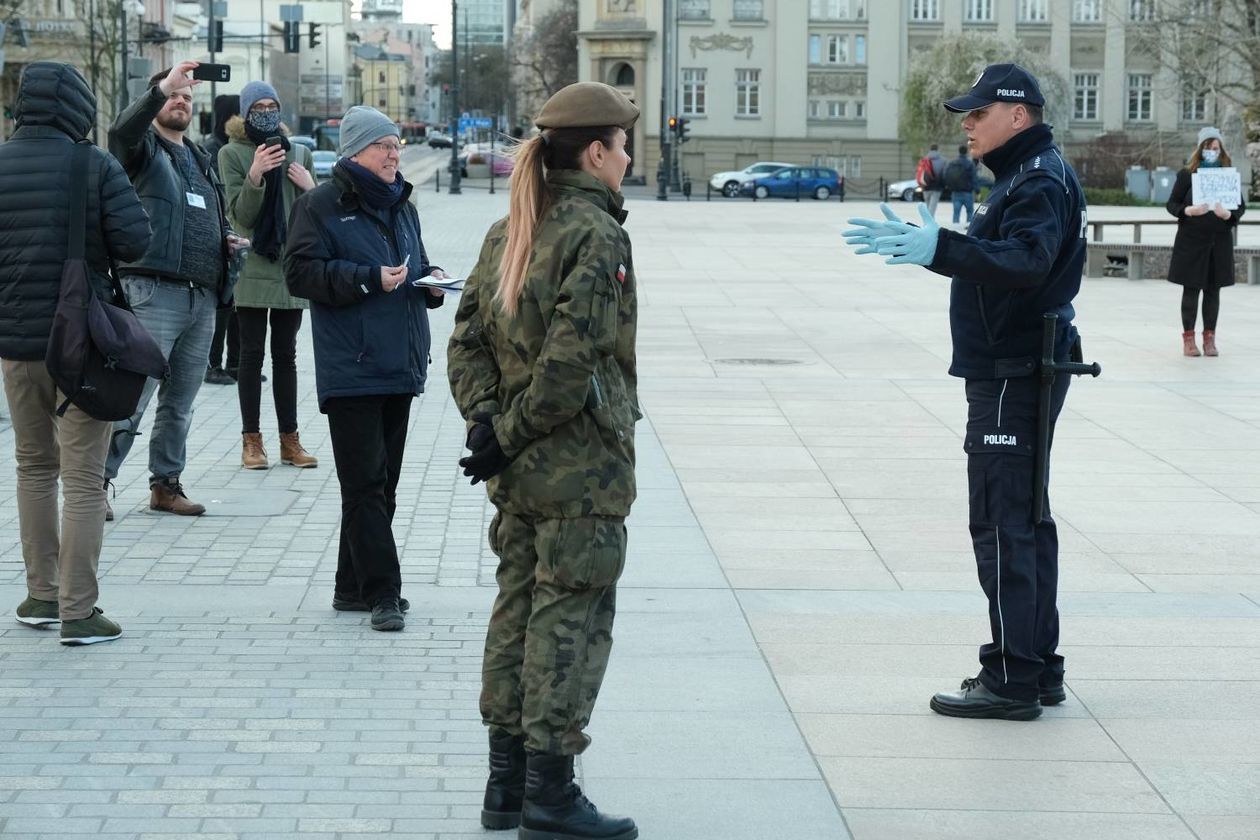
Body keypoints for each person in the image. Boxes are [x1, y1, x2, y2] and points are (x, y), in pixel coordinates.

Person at [844, 64, 1087, 722]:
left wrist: (942, 248)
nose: (967, 125)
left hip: (1014, 369)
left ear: (1019, 113)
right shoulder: (1024, 175)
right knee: (1025, 519)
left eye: (979, 114)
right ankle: (1037, 666)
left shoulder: (1035, 179)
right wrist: (943, 249)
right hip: (1016, 364)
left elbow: (1027, 262)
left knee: (1004, 523)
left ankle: (1011, 677)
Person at [448, 82, 641, 839]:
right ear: (595, 153)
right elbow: (570, 361)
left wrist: (489, 426)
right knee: (570, 623)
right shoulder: (596, 235)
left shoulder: (509, 229)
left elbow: (465, 342)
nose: (627, 159)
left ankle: (506, 786)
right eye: (622, 147)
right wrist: (510, 428)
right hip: (578, 471)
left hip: (519, 471)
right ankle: (550, 797)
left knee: (518, 612)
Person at [0, 62, 151, 644]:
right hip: (81, 344)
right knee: (83, 477)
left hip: (17, 346)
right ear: (78, 109)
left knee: (32, 466)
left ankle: (40, 595)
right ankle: (78, 611)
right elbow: (136, 242)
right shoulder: (93, 164)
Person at [284, 106, 447, 631]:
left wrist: (433, 281)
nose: (394, 154)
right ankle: (384, 593)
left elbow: (414, 265)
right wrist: (367, 278)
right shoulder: (320, 205)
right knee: (365, 485)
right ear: (355, 151)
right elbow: (301, 273)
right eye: (383, 146)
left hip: (399, 361)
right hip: (350, 365)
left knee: (384, 485)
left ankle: (350, 588)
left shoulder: (403, 205)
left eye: (397, 145)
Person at [219, 81, 318, 470]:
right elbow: (240, 217)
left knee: (286, 357)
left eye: (271, 104)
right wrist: (256, 175)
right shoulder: (233, 154)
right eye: (258, 106)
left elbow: (316, 217)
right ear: (246, 113)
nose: (266, 111)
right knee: (250, 356)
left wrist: (311, 189)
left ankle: (289, 441)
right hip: (253, 268)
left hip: (291, 268)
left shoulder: (300, 153)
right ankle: (251, 441)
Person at [1166, 126, 1244, 357]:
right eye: (1208, 148)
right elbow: (1172, 204)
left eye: (1216, 148)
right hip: (1192, 242)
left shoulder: (1227, 175)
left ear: (1221, 151)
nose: (1212, 152)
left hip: (1218, 243)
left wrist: (1228, 215)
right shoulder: (1187, 174)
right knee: (1191, 291)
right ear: (1200, 150)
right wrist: (1188, 210)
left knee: (1213, 291)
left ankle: (1209, 338)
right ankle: (1188, 339)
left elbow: (1239, 207)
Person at [203, 94, 243, 386]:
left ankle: (235, 364)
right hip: (219, 234)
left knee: (237, 306)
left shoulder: (229, 146)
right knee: (223, 308)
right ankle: (212, 364)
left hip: (235, 233)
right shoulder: (212, 149)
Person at [945, 143, 979, 224]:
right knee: (970, 212)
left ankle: (955, 229)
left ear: (959, 151)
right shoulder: (970, 164)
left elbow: (946, 175)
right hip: (967, 192)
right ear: (967, 152)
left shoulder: (952, 163)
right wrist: (977, 190)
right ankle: (969, 230)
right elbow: (974, 178)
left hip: (955, 192)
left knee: (956, 213)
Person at [918, 143, 947, 217]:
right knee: (933, 206)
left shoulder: (924, 160)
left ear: (930, 150)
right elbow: (944, 174)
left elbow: (920, 173)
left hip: (926, 185)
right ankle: (930, 222)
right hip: (937, 187)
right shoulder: (943, 161)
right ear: (937, 149)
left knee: (928, 205)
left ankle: (928, 221)